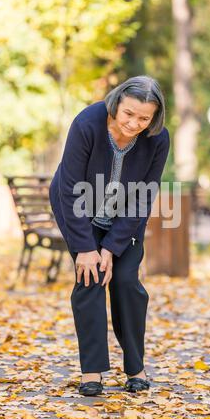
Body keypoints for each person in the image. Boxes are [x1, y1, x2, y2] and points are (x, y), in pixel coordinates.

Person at [49, 75, 170, 396]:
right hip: (78, 208)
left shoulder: (158, 139)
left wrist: (113, 247)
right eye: (129, 114)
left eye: (144, 118)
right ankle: (92, 371)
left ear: (155, 117)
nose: (134, 123)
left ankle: (136, 367)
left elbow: (145, 195)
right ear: (116, 103)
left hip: (125, 218)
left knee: (127, 281)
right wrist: (87, 248)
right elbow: (70, 188)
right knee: (90, 277)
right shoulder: (87, 124)